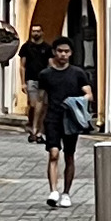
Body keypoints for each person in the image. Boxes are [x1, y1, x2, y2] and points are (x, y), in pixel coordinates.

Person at [34, 42, 83, 207]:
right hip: (53, 118)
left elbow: (88, 94)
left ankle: (66, 193)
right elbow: (41, 99)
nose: (63, 54)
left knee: (69, 155)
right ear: (54, 52)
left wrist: (75, 101)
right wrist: (36, 125)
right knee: (53, 153)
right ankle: (53, 190)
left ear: (71, 53)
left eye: (66, 51)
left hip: (71, 119)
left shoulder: (78, 73)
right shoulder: (45, 75)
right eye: (60, 51)